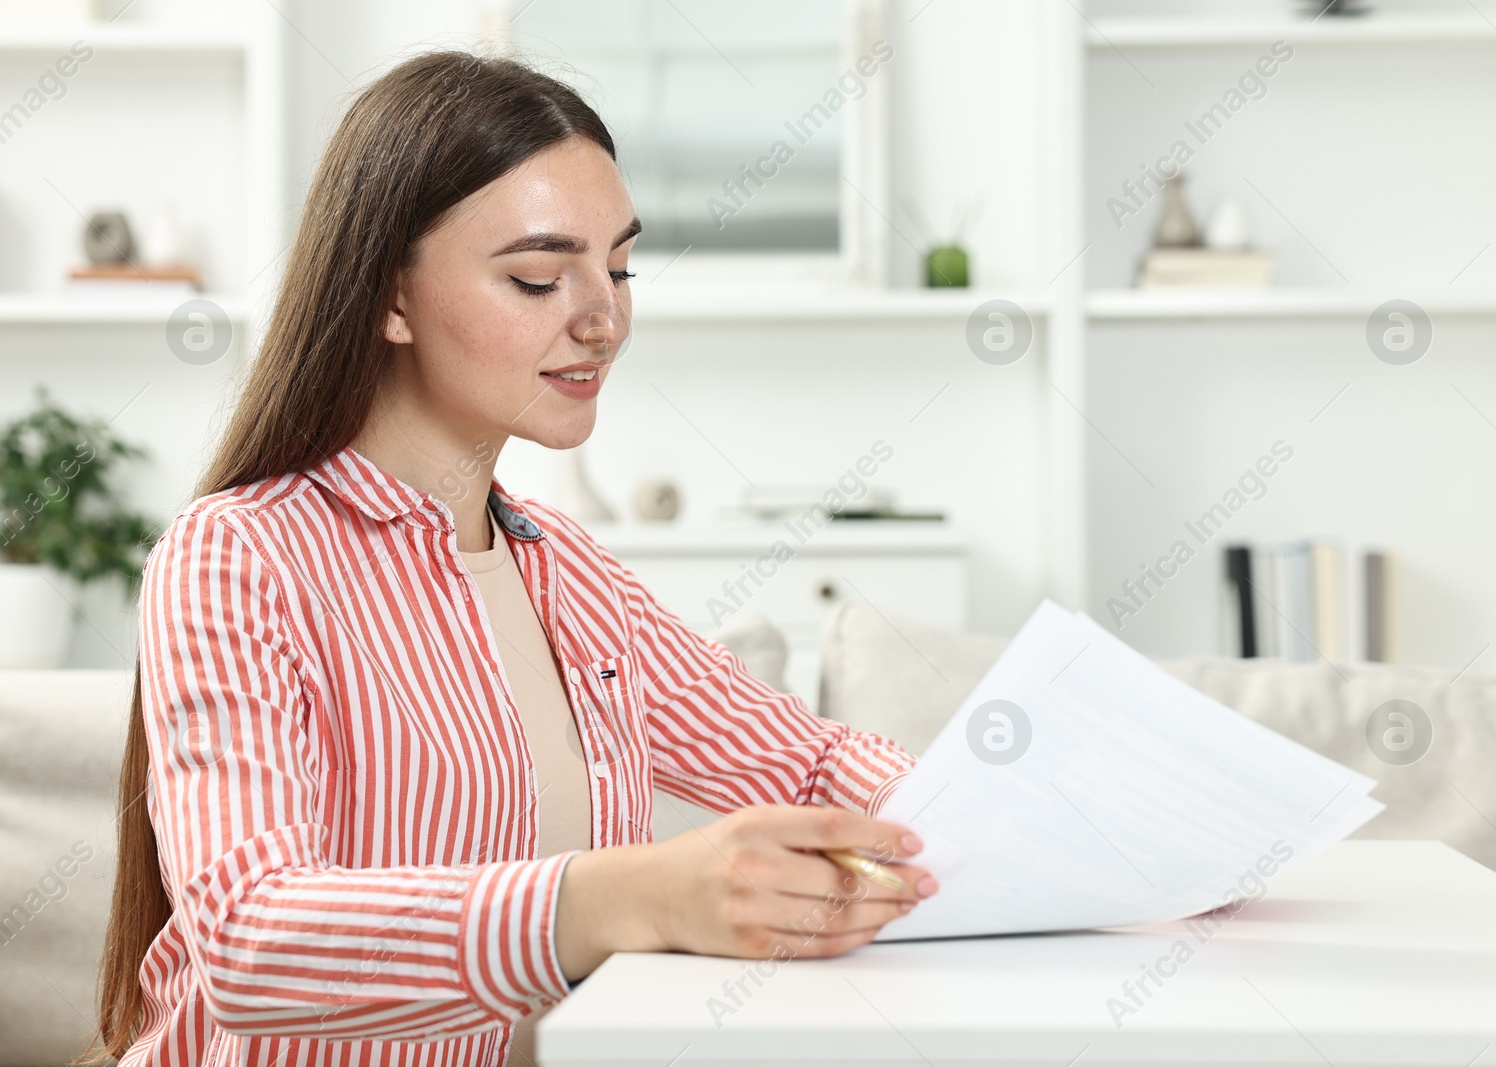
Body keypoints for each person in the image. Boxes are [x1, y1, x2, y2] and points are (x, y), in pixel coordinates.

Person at [93, 50, 935, 1067]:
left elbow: (806, 763)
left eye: (617, 267)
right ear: (388, 298)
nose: (604, 317)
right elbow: (254, 939)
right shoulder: (239, 557)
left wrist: (1058, 823)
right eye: (538, 275)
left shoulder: (563, 572)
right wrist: (635, 893)